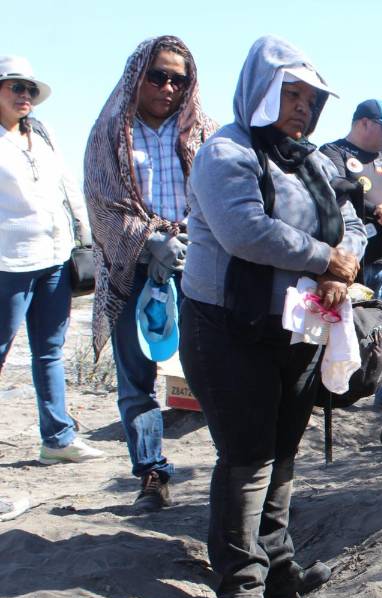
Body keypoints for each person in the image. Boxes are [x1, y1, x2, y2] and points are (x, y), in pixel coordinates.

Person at [180, 36, 367, 598]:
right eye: (292, 94)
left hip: (296, 326)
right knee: (248, 451)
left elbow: (351, 223)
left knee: (283, 446)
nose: (303, 108)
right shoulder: (225, 153)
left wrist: (344, 265)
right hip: (228, 326)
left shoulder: (309, 159)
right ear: (261, 91)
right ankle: (239, 578)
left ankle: (277, 564)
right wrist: (323, 259)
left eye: (312, 99)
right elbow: (244, 231)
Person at [85, 36, 217, 513]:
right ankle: (152, 471)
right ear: (136, 76)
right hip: (132, 266)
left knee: (209, 363)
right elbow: (101, 202)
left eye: (178, 79)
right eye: (157, 76)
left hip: (194, 260)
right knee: (136, 374)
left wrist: (189, 238)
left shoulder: (204, 132)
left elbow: (222, 191)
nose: (167, 87)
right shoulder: (109, 134)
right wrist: (148, 240)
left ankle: (234, 462)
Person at [0, 56, 106, 468]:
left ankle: (58, 439)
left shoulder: (41, 133)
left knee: (50, 350)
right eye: (15, 87)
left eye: (29, 89)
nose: (25, 96)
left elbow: (67, 186)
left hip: (55, 258)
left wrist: (86, 237)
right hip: (9, 261)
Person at [320, 99, 382, 416]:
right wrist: (377, 211)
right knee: (338, 326)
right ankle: (326, 393)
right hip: (350, 265)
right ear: (363, 123)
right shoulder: (332, 153)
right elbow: (336, 192)